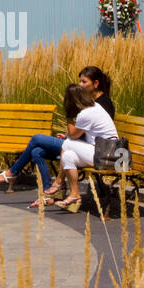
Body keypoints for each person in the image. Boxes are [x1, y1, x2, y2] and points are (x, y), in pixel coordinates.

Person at [0, 85, 74, 206]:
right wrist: (66, 136)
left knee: (36, 138)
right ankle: (47, 193)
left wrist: (70, 132)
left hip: (77, 147)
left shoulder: (89, 109)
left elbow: (83, 135)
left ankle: (12, 172)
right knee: (36, 152)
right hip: (69, 143)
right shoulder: (80, 109)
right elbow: (77, 132)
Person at [56, 84, 119, 212]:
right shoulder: (96, 107)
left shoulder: (85, 114)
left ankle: (58, 182)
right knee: (69, 156)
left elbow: (73, 136)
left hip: (105, 155)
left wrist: (68, 117)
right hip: (108, 152)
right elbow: (79, 133)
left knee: (67, 144)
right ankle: (75, 195)